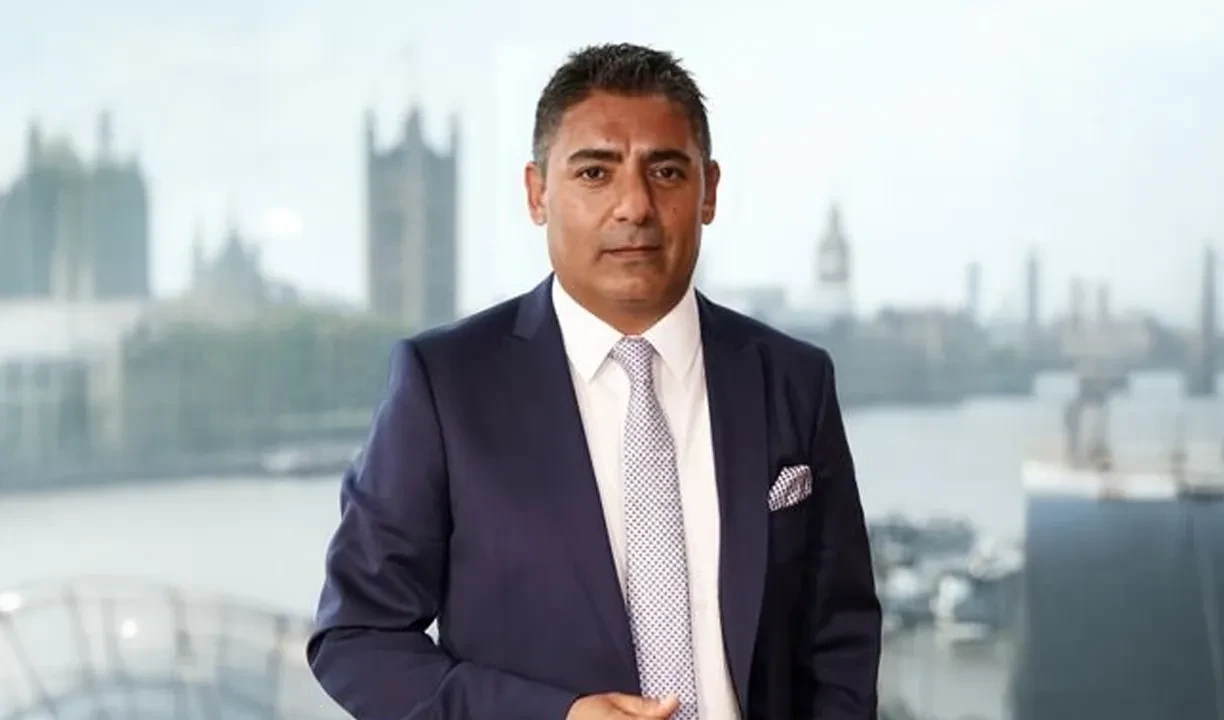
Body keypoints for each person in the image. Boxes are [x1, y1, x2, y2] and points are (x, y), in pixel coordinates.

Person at [307, 42, 882, 720]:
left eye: (665, 171)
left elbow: (840, 639)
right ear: (537, 193)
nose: (634, 205)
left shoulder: (793, 381)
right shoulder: (445, 387)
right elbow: (358, 637)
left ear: (709, 191)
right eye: (595, 173)